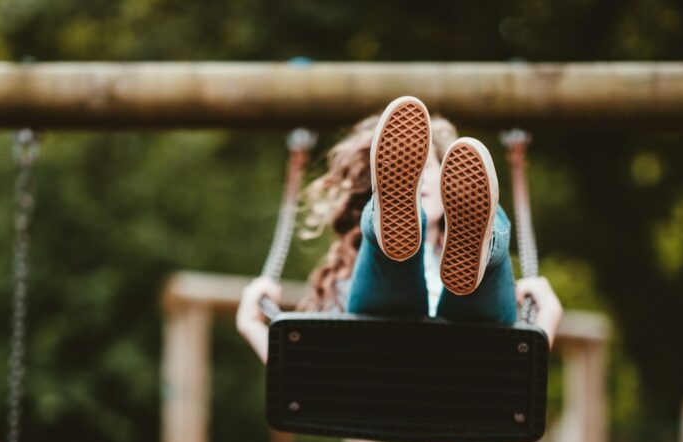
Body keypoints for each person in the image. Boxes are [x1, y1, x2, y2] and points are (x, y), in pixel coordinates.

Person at [237, 96, 562, 363]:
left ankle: (481, 246)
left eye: (426, 167)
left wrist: (253, 324)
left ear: (451, 178)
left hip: (464, 349)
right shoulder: (343, 279)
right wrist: (546, 318)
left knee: (479, 281)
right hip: (441, 368)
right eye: (407, 172)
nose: (418, 177)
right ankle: (388, 232)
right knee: (384, 267)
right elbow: (519, 379)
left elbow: (302, 384)